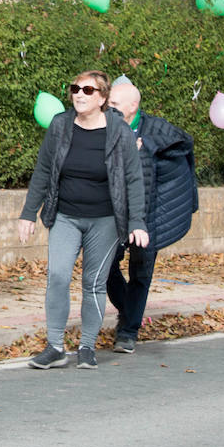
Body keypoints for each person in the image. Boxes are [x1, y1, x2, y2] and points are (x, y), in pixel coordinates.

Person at [19, 70, 147, 370]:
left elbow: (133, 179)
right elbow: (42, 170)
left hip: (105, 220)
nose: (79, 94)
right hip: (65, 215)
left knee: (93, 283)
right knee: (58, 276)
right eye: (75, 88)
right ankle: (54, 347)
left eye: (88, 90)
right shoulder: (61, 125)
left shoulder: (119, 132)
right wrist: (28, 213)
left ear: (102, 98)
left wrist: (137, 221)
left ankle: (87, 345)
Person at [104, 80, 197, 354]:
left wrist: (148, 149)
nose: (109, 109)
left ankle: (128, 332)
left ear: (134, 106)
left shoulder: (156, 128)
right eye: (108, 104)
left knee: (140, 272)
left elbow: (181, 149)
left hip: (151, 214)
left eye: (115, 105)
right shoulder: (105, 127)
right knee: (106, 267)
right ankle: (129, 310)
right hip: (115, 213)